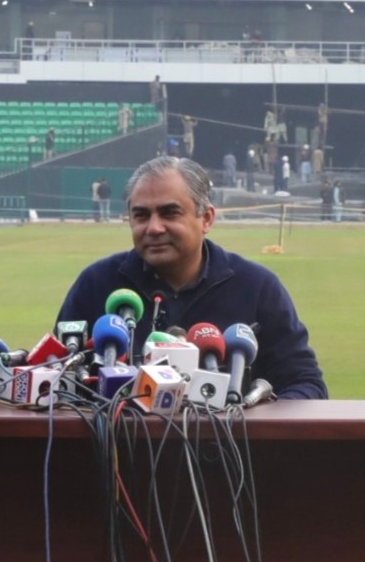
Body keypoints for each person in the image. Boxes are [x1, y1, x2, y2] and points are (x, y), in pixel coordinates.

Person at [54, 156, 327, 399]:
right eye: (141, 215)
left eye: (169, 213)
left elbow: (306, 385)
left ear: (206, 218)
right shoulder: (96, 283)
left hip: (228, 452)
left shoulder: (257, 287)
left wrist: (250, 421)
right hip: (119, 454)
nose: (154, 227)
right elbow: (57, 379)